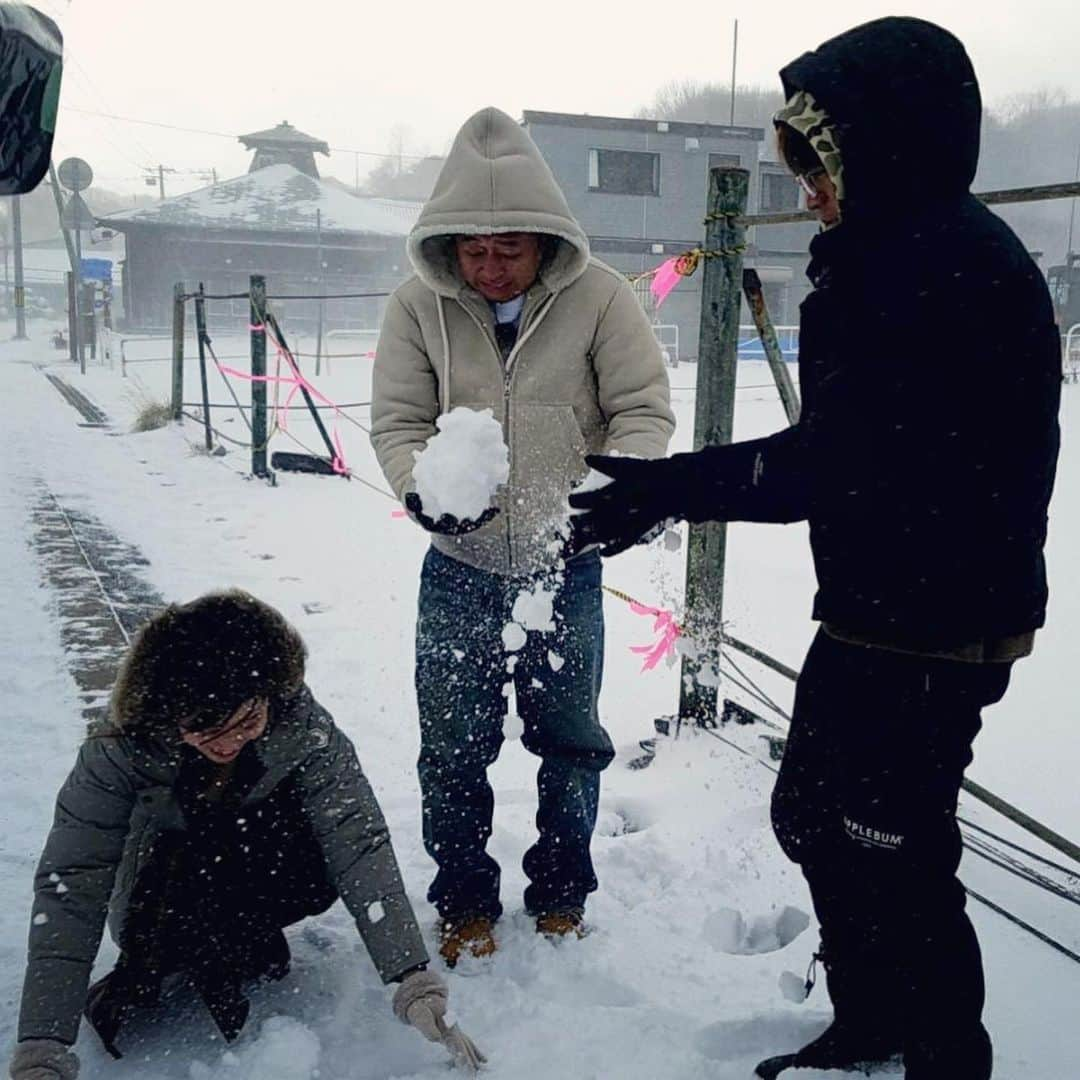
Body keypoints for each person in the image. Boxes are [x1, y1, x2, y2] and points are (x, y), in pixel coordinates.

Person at [569, 17, 1061, 1080]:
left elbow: (845, 461)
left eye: (821, 165)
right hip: (880, 600)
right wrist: (676, 490)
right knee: (817, 818)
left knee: (895, 844)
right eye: (799, 167)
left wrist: (672, 488)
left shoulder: (947, 267)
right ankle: (875, 1016)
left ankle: (943, 1054)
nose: (810, 192)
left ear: (886, 147)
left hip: (940, 616)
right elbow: (851, 454)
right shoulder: (889, 253)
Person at [371, 106, 674, 966]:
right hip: (458, 568)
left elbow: (641, 411)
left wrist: (612, 496)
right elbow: (397, 420)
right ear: (448, 244)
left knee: (571, 741)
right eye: (474, 249)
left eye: (511, 248)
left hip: (562, 566)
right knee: (454, 745)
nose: (491, 266)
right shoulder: (417, 308)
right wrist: (423, 492)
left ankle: (562, 894)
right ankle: (464, 899)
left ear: (546, 239)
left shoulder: (601, 299)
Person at [10, 591, 483, 1080]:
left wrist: (414, 980)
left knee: (317, 843)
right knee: (166, 935)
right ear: (172, 714)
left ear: (269, 696)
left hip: (260, 861)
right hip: (163, 884)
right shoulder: (120, 746)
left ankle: (242, 927)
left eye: (247, 722)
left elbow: (357, 840)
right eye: (208, 731)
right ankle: (201, 939)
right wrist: (42, 1047)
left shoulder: (299, 721)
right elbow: (73, 882)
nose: (231, 741)